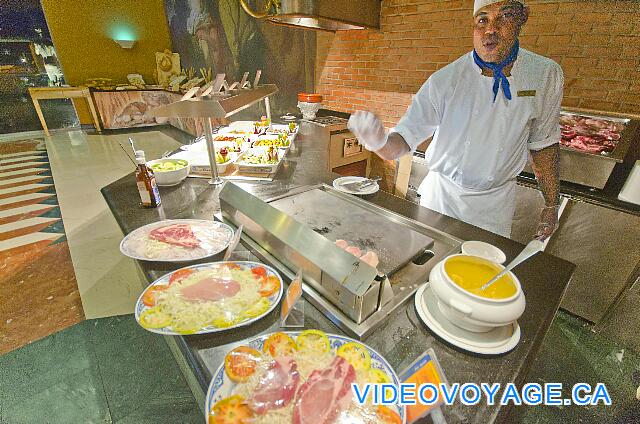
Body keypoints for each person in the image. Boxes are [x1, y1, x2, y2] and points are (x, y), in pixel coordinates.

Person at [348, 0, 562, 240]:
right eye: (483, 20)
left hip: (495, 207)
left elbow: (544, 144)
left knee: (482, 273)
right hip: (441, 200)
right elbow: (400, 143)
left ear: (523, 18)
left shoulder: (545, 74)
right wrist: (378, 141)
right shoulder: (445, 80)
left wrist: (551, 204)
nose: (491, 29)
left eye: (505, 16)